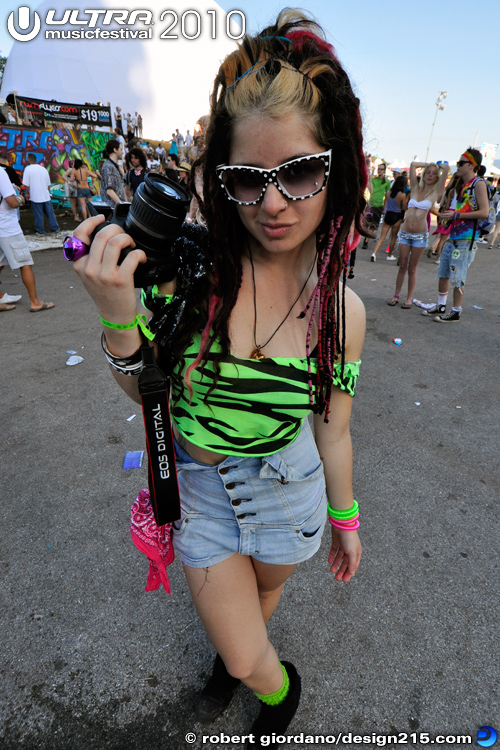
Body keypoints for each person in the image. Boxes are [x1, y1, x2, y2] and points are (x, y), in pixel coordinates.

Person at [72, 10, 366, 745]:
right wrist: (117, 317)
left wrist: (345, 517)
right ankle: (275, 686)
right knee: (245, 645)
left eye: (299, 172)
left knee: (254, 611)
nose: (273, 203)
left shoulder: (343, 311)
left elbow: (333, 428)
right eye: (246, 179)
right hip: (198, 485)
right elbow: (143, 394)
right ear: (221, 178)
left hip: (288, 489)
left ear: (338, 167)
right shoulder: (193, 277)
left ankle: (235, 667)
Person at [422, 149, 488, 323]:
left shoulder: (478, 184)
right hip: (453, 236)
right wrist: (448, 218)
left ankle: (456, 310)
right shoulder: (463, 185)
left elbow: (484, 212)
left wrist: (456, 216)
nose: (457, 166)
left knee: (458, 276)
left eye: (460, 163)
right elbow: (458, 208)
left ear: (472, 165)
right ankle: (441, 305)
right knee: (443, 272)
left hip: (466, 239)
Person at [387, 161, 449, 308]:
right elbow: (413, 164)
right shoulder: (414, 187)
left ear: (437, 177)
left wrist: (439, 166)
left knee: (412, 268)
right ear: (424, 173)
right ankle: (396, 295)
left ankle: (409, 298)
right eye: (428, 172)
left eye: (434, 173)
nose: (430, 175)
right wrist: (429, 164)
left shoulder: (436, 192)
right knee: (402, 265)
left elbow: (446, 168)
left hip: (420, 236)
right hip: (405, 233)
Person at [0, 165, 54, 312]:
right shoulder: (0, 173)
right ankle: (35, 301)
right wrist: (20, 199)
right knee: (25, 263)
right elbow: (12, 203)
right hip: (7, 227)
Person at [372, 174, 407, 261]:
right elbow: (404, 208)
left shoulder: (388, 193)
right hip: (397, 216)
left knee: (382, 237)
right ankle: (389, 255)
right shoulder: (402, 195)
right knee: (393, 237)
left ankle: (374, 253)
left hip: (388, 215)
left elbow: (385, 203)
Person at [22, 154, 60, 234]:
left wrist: (27, 193)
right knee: (50, 214)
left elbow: (26, 184)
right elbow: (48, 184)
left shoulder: (28, 169)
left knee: (38, 214)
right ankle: (55, 228)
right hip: (45, 195)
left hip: (35, 195)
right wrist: (47, 192)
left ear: (29, 160)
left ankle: (40, 230)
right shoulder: (43, 169)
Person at [362, 162, 391, 253]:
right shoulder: (373, 180)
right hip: (370, 204)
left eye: (381, 169)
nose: (379, 170)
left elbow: (387, 195)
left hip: (379, 206)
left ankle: (366, 241)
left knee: (374, 225)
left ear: (385, 171)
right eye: (378, 168)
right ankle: (367, 237)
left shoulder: (387, 182)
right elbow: (369, 190)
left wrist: (385, 207)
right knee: (366, 224)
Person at [99, 140, 126, 208]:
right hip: (113, 208)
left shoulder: (112, 166)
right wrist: (122, 206)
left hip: (115, 208)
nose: (122, 152)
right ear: (115, 150)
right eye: (121, 149)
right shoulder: (108, 166)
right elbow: (109, 191)